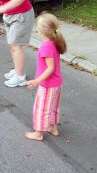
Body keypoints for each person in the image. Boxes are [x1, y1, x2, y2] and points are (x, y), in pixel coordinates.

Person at [25, 13, 67, 141]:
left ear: (42, 30)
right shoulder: (54, 42)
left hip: (48, 85)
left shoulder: (46, 46)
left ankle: (38, 133)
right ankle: (52, 127)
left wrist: (36, 81)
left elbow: (50, 68)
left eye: (37, 26)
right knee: (52, 107)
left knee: (41, 108)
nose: (36, 28)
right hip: (56, 83)